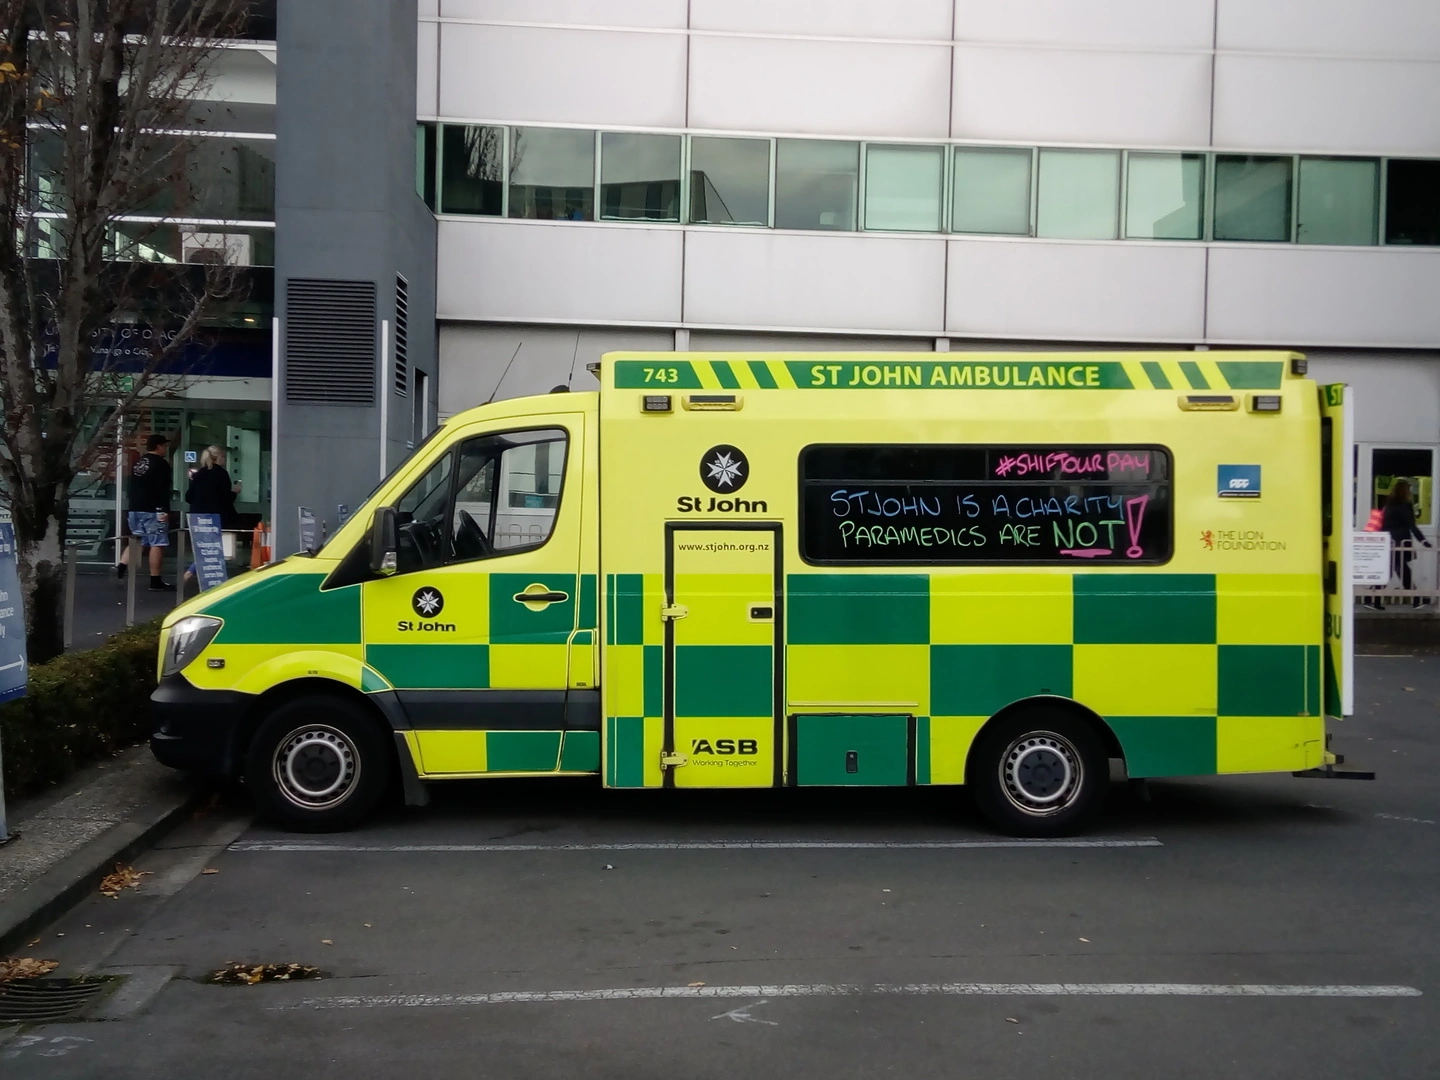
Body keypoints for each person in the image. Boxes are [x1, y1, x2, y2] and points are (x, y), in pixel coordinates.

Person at [120, 433, 174, 591]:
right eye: (164, 445)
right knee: (157, 543)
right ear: (159, 446)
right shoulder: (161, 464)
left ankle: (121, 567)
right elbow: (163, 489)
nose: (166, 448)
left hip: (135, 508)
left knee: (137, 539)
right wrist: (165, 509)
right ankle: (155, 580)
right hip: (153, 510)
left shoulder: (139, 463)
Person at [183, 445, 241, 587]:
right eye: (224, 457)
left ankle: (195, 573)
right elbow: (225, 498)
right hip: (215, 515)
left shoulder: (199, 474)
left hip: (197, 515)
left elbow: (189, 496)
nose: (225, 460)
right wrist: (235, 492)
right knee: (213, 547)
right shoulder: (221, 473)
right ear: (219, 457)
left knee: (204, 546)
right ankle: (197, 573)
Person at [1382, 480, 1432, 608]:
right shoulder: (1404, 506)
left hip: (1388, 541)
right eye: (1409, 490)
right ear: (1405, 492)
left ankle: (1371, 599)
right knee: (1400, 570)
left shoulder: (1388, 506)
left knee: (1393, 570)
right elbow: (1412, 526)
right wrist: (1423, 541)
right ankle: (1416, 599)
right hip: (1400, 542)